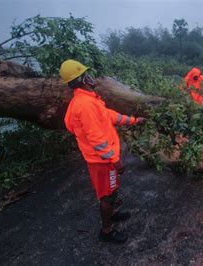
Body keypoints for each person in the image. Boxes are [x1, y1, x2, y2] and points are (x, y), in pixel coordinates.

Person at [60, 59, 146, 243]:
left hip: (102, 159)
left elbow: (109, 116)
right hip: (102, 161)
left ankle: (113, 214)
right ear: (82, 79)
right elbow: (96, 139)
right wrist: (115, 160)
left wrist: (134, 120)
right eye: (86, 74)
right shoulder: (85, 105)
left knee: (111, 190)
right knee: (108, 194)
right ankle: (106, 231)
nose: (91, 77)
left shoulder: (88, 100)